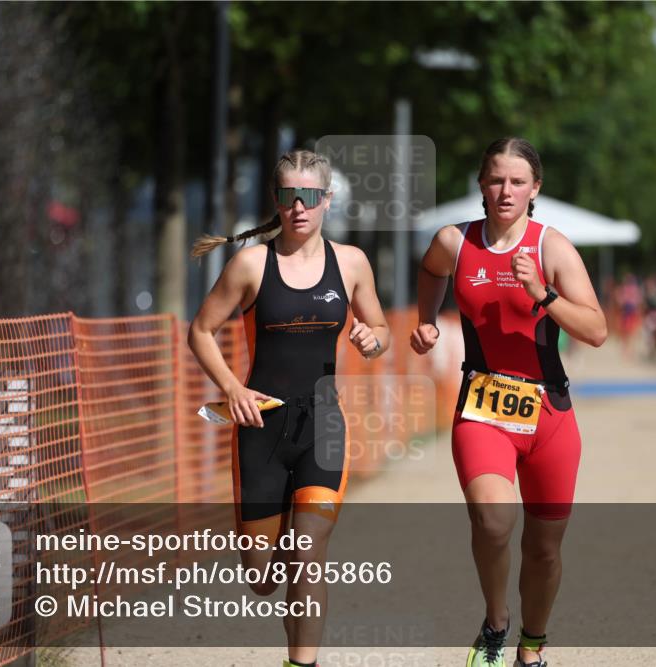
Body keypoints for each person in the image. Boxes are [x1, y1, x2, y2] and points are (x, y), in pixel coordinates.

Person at [188, 149, 390, 667]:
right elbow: (202, 331)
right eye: (287, 196)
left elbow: (382, 329)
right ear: (276, 200)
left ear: (327, 199)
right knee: (262, 577)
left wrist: (373, 339)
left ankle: (301, 663)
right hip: (260, 429)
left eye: (309, 196)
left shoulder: (351, 263)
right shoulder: (251, 264)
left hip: (323, 424)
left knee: (307, 551)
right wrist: (232, 387)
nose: (298, 207)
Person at [411, 137, 607, 667]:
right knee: (494, 522)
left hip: (549, 415)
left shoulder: (552, 247)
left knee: (544, 549)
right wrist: (427, 319)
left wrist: (543, 293)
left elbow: (597, 330)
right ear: (480, 184)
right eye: (496, 179)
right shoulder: (455, 242)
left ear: (535, 189)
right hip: (482, 409)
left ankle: (533, 645)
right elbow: (430, 271)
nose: (505, 190)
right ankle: (496, 624)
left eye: (517, 181)